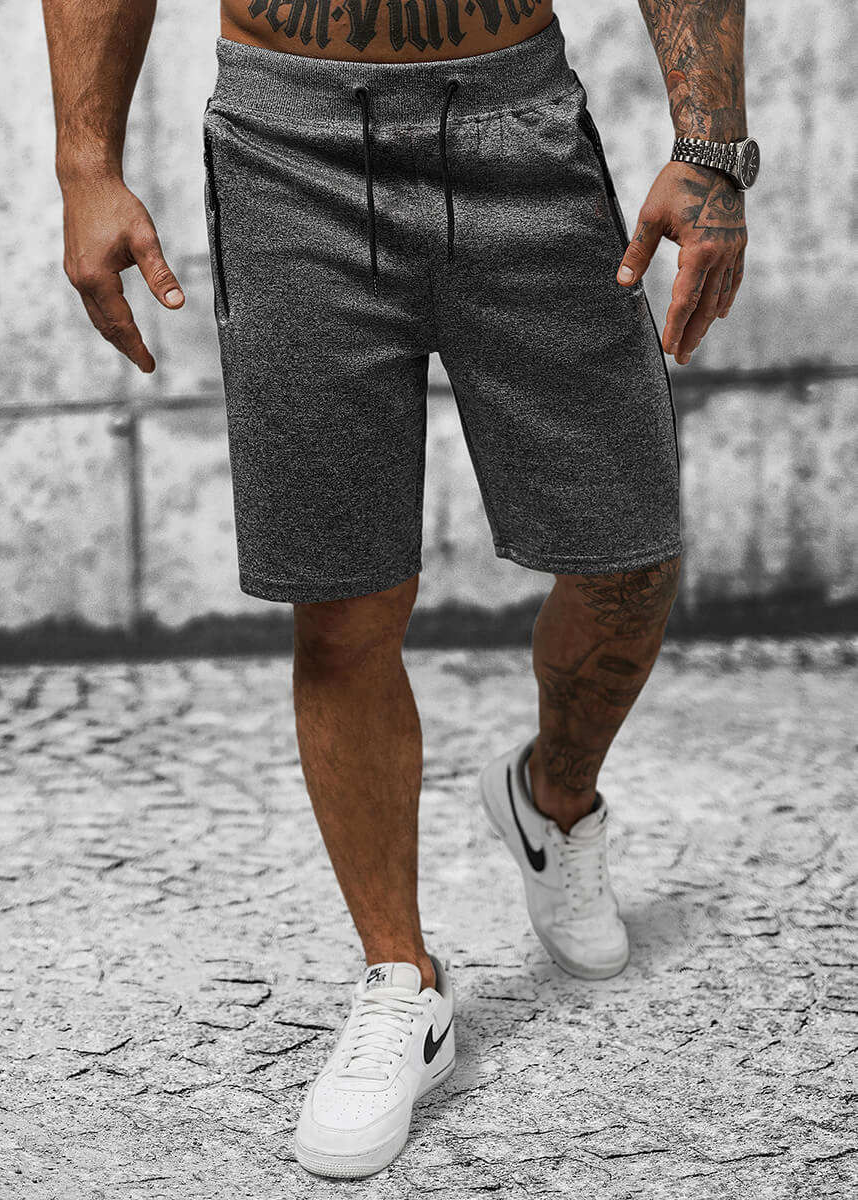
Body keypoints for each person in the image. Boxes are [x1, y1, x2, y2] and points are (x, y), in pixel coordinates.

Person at [41, 0, 755, 1179]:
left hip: (518, 125)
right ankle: (401, 979)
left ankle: (552, 798)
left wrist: (712, 149)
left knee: (630, 552)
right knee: (345, 598)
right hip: (288, 152)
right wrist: (86, 166)